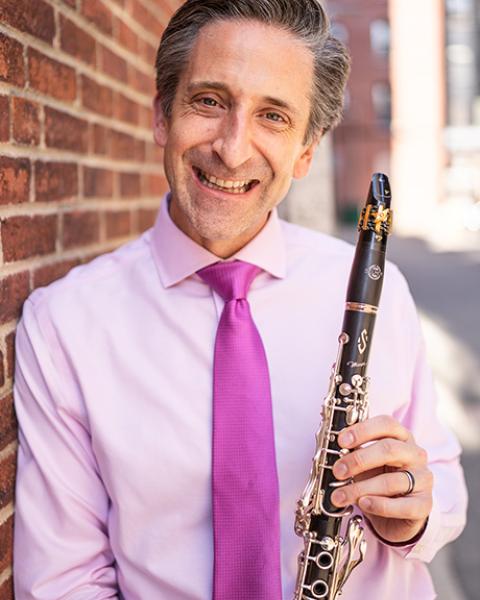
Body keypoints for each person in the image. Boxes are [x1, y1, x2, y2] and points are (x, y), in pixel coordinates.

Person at [13, 1, 467, 598]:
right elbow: (63, 583)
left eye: (273, 117)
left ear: (306, 151)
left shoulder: (377, 292)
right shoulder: (65, 326)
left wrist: (412, 510)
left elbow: (445, 486)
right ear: (161, 116)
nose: (232, 148)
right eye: (209, 101)